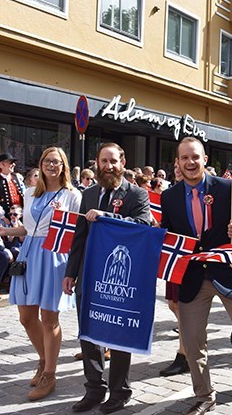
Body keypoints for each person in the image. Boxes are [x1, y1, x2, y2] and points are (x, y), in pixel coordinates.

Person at [160, 137, 232, 415]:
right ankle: (204, 396)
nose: (190, 162)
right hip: (192, 280)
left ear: (205, 159)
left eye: (195, 157)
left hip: (230, 275)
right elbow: (166, 237)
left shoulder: (229, 189)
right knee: (193, 344)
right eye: (185, 158)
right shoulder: (169, 196)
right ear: (178, 163)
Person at [0, 147, 81, 401]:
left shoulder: (73, 195)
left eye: (57, 161)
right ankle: (43, 359)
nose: (52, 165)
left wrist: (74, 268)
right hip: (29, 255)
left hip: (54, 256)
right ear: (40, 165)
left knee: (49, 317)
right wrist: (4, 231)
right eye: (47, 161)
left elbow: (75, 233)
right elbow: (28, 229)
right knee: (26, 317)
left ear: (63, 166)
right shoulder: (30, 193)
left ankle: (50, 374)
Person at [63, 143, 151, 414]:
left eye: (114, 161)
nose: (109, 166)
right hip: (90, 275)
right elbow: (79, 236)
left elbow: (144, 226)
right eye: (104, 161)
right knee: (88, 334)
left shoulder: (137, 194)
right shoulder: (88, 194)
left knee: (118, 335)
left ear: (123, 162)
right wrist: (70, 273)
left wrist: (108, 217)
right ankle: (94, 389)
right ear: (97, 163)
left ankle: (119, 392)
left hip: (120, 278)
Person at [0, 153, 24, 217]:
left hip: (20, 215)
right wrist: (2, 216)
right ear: (1, 165)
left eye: (13, 162)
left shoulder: (16, 177)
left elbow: (24, 193)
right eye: (10, 162)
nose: (13, 164)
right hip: (6, 216)